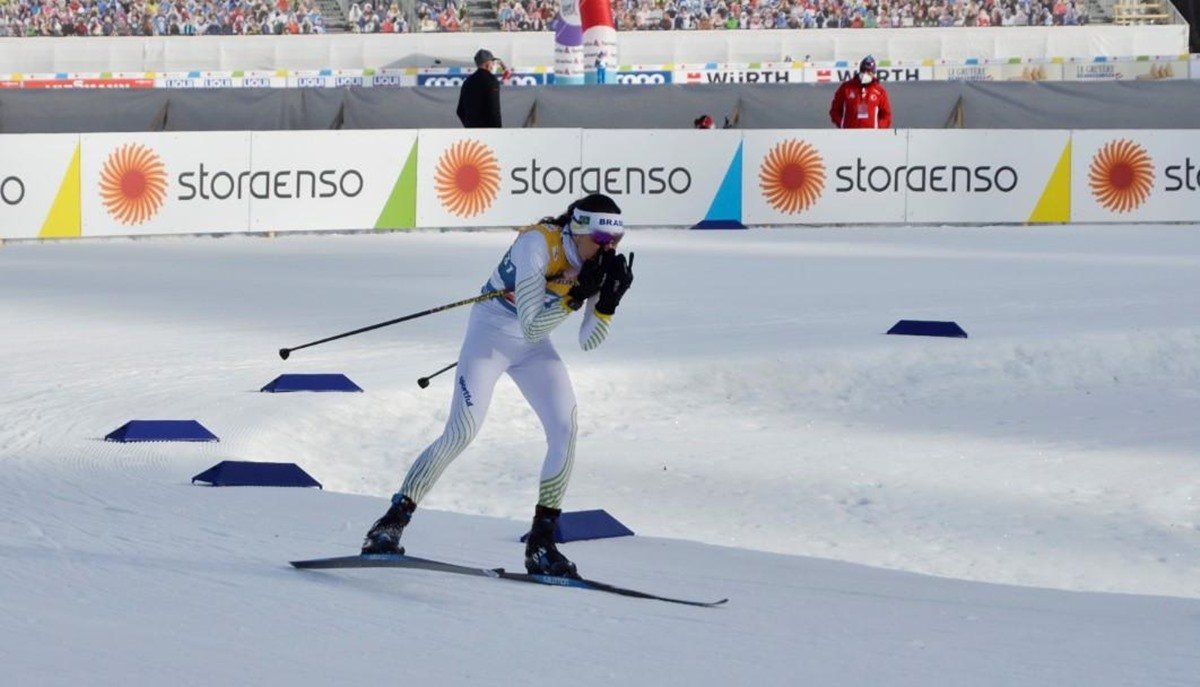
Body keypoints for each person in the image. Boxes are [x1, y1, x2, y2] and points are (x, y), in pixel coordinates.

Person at [361, 193, 636, 579]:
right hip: (490, 336)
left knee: (565, 428)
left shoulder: (597, 263)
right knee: (461, 432)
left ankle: (541, 544)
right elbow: (530, 324)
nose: (609, 249)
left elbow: (588, 341)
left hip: (534, 350)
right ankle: (388, 525)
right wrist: (575, 297)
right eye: (602, 240)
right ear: (577, 229)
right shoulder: (537, 244)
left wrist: (607, 302)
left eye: (617, 241)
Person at [829, 55, 893, 129]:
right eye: (863, 70)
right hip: (848, 134)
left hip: (872, 135)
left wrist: (879, 127)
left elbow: (886, 115)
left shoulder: (880, 91)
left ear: (873, 72)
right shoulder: (846, 88)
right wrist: (842, 123)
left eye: (869, 71)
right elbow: (834, 110)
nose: (865, 74)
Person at [456, 48, 508, 128]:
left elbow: (460, 111)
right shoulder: (491, 80)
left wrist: (469, 126)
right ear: (487, 64)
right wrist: (498, 131)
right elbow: (494, 110)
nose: (493, 65)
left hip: (472, 132)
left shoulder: (467, 81)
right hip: (488, 132)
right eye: (492, 63)